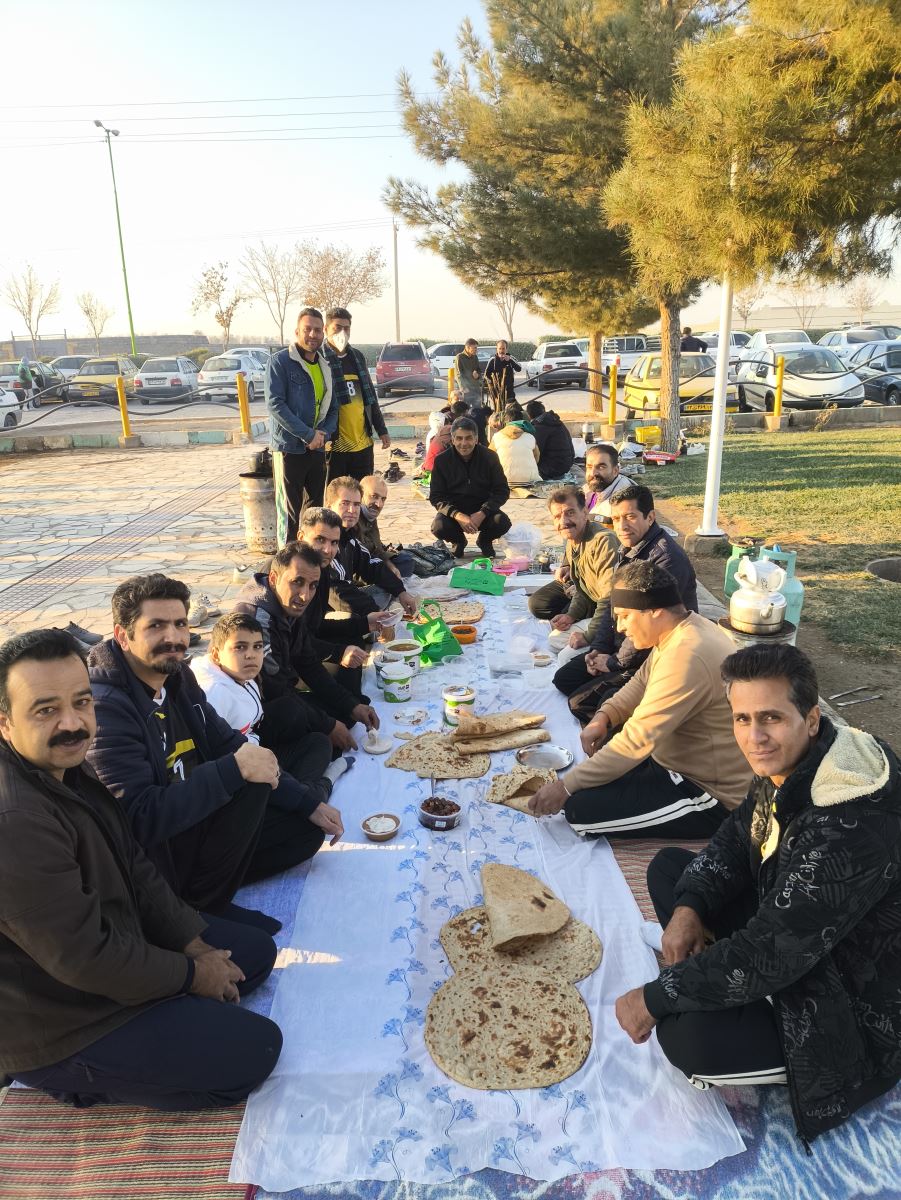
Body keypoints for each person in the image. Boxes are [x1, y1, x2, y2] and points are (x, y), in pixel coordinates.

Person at [615, 643, 901, 1145]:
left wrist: (658, 997)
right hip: (797, 932)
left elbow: (776, 948)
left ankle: (761, 1018)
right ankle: (726, 978)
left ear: (811, 720)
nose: (754, 736)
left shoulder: (850, 821)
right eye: (742, 718)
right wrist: (690, 908)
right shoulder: (797, 759)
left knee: (686, 1039)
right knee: (672, 873)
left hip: (849, 999)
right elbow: (738, 833)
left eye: (770, 717)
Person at [0, 628, 283, 1111]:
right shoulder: (16, 820)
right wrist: (192, 975)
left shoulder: (65, 763)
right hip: (63, 1015)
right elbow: (85, 958)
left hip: (116, 935)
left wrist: (192, 942)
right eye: (45, 710)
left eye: (81, 702)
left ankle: (163, 999)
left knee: (253, 953)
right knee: (256, 1049)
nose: (72, 723)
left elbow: (132, 863)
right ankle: (72, 1077)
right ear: (6, 722)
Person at [86, 575, 335, 922]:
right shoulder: (106, 710)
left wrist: (308, 802)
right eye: (156, 626)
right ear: (123, 636)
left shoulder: (177, 678)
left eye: (179, 624)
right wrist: (231, 771)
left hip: (197, 818)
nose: (173, 637)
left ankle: (218, 880)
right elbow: (137, 821)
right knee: (251, 778)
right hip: (159, 858)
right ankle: (200, 906)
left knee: (306, 832)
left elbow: (225, 740)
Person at [529, 560, 750, 839]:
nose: (620, 627)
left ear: (654, 610)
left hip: (706, 791)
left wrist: (565, 787)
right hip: (669, 762)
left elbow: (637, 740)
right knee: (597, 767)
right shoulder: (681, 629)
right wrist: (604, 716)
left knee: (578, 810)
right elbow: (641, 682)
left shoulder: (688, 655)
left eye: (625, 616)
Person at [190, 614, 347, 842]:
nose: (251, 655)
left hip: (257, 748)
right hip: (242, 775)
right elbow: (224, 761)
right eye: (240, 647)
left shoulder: (240, 673)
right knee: (307, 833)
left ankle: (308, 793)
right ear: (216, 654)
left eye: (257, 647)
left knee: (318, 741)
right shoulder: (214, 693)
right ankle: (317, 789)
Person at [553, 484, 699, 722]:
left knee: (580, 702)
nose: (622, 526)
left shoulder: (666, 560)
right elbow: (611, 605)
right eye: (616, 518)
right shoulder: (628, 549)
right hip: (622, 646)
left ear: (650, 517)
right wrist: (599, 648)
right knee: (564, 679)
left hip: (653, 656)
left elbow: (648, 629)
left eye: (630, 517)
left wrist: (612, 663)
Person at [232, 543, 378, 757]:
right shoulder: (257, 622)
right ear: (273, 578)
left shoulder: (289, 605)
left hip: (280, 696)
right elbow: (276, 690)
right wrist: (327, 725)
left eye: (312, 586)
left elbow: (308, 662)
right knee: (316, 730)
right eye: (297, 582)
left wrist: (351, 706)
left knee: (347, 711)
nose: (305, 596)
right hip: (251, 718)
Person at [266, 307, 348, 545]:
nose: (313, 335)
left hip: (317, 448)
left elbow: (333, 407)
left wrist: (323, 434)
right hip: (289, 448)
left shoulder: (325, 365)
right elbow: (275, 404)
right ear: (297, 332)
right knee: (289, 513)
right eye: (307, 329)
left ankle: (309, 556)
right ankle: (286, 559)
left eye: (317, 330)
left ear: (324, 333)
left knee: (313, 511)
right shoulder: (280, 362)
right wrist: (307, 434)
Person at [527, 487, 618, 663]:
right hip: (599, 610)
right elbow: (583, 589)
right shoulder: (573, 539)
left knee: (565, 657)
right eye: (557, 516)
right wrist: (571, 615)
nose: (564, 521)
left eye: (570, 513)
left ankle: (609, 651)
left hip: (616, 619)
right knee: (554, 640)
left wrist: (589, 636)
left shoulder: (603, 541)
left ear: (585, 512)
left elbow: (609, 599)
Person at [324, 476, 418, 617]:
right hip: (324, 614)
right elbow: (338, 591)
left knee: (391, 582)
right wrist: (375, 614)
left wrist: (401, 592)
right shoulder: (325, 541)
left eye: (356, 504)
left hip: (345, 595)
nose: (352, 510)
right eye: (345, 503)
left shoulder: (348, 536)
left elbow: (372, 563)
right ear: (329, 506)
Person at [322, 306, 390, 484]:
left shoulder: (357, 357)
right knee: (336, 495)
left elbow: (370, 397)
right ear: (326, 329)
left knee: (362, 494)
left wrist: (381, 429)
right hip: (335, 446)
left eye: (346, 328)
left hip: (362, 444)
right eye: (337, 327)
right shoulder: (319, 358)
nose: (342, 332)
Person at [429, 416, 512, 558]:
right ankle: (459, 541)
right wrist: (457, 515)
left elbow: (502, 490)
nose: (464, 443)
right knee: (439, 527)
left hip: (483, 511)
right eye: (459, 438)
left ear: (476, 439)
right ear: (452, 439)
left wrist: (483, 512)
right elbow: (436, 497)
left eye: (468, 438)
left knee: (502, 523)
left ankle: (484, 541)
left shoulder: (490, 457)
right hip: (455, 513)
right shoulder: (442, 460)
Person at [358, 474, 416, 579]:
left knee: (406, 561)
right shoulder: (353, 516)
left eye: (383, 499)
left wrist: (389, 564)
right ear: (361, 495)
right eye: (374, 496)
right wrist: (386, 566)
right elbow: (363, 554)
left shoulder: (370, 515)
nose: (379, 504)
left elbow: (377, 547)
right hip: (359, 566)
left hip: (373, 559)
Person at [489, 402, 540, 485]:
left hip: (504, 481)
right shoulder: (530, 437)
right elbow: (536, 458)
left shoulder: (497, 437)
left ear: (504, 422)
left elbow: (489, 457)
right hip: (530, 481)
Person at [525, 399, 575, 479]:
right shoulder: (556, 421)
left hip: (552, 470)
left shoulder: (539, 427)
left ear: (529, 415)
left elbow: (535, 453)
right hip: (566, 465)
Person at [584, 443, 632, 522]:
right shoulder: (588, 489)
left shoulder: (623, 504)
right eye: (589, 467)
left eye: (601, 467)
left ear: (615, 471)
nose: (593, 473)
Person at [484, 340, 521, 408]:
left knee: (511, 411)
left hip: (509, 392)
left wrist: (510, 360)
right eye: (500, 348)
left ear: (506, 349)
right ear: (497, 349)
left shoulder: (511, 358)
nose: (501, 351)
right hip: (496, 393)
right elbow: (486, 375)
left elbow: (519, 368)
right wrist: (490, 384)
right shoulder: (492, 360)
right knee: (499, 411)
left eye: (503, 348)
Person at [453, 339, 484, 405]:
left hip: (476, 387)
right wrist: (463, 387)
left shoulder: (475, 357)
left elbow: (478, 370)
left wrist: (478, 375)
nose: (476, 350)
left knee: (477, 408)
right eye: (474, 348)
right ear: (467, 347)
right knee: (466, 408)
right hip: (466, 389)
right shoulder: (459, 357)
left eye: (476, 348)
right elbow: (458, 374)